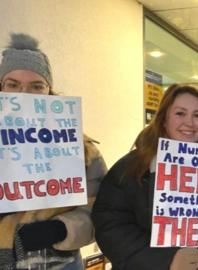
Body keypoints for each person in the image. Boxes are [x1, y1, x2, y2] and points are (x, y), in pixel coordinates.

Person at [92, 84, 198, 270]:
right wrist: (166, 260)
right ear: (164, 120)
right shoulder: (133, 166)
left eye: (197, 115)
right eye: (180, 113)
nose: (189, 123)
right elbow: (110, 226)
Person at [0, 33, 107, 269]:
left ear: (49, 90)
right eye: (13, 85)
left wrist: (61, 229)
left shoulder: (82, 149)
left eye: (36, 86)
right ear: (2, 87)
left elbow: (102, 211)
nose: (24, 94)